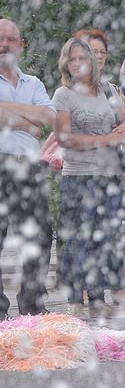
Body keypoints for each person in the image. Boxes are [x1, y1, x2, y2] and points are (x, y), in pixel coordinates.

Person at [53, 37, 125, 317]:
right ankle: (76, 300)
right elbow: (64, 138)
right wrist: (107, 138)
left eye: (81, 58)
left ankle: (97, 298)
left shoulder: (108, 90)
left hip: (109, 176)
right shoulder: (64, 95)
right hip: (79, 176)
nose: (75, 64)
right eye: (71, 59)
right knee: (78, 239)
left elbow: (124, 123)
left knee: (104, 238)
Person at [0, 18, 56, 321]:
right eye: (0, 39)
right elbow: (35, 119)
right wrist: (26, 120)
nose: (4, 45)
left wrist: (8, 112)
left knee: (40, 234)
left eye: (10, 39)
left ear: (21, 45)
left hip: (29, 168)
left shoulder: (33, 83)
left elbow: (47, 117)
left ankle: (32, 305)